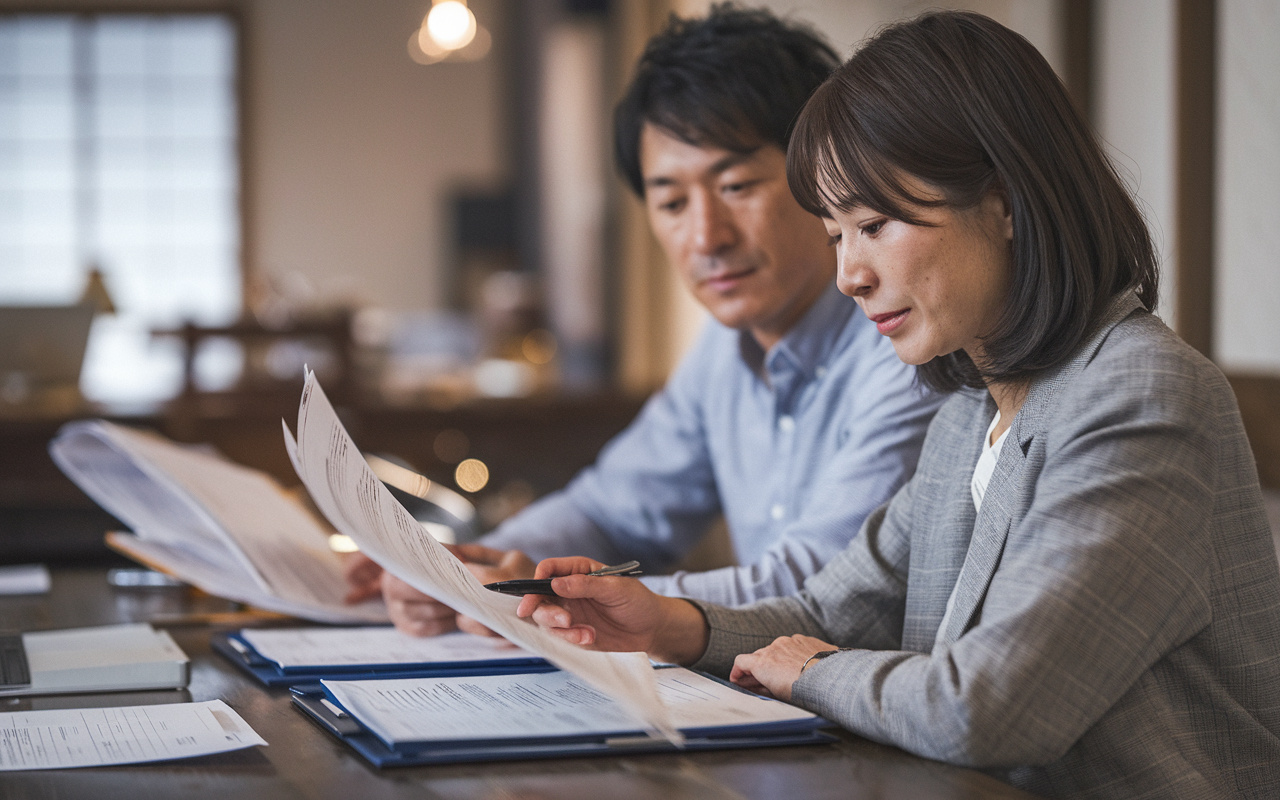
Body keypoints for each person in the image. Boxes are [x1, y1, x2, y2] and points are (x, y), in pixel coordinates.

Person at [517, 11, 1280, 798]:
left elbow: (988, 707)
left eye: (874, 225)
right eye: (836, 232)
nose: (849, 274)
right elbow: (838, 604)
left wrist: (813, 670)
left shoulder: (1140, 394)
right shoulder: (970, 412)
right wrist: (664, 622)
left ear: (1007, 200)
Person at [345, 5, 942, 636]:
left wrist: (562, 595)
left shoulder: (904, 343)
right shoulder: (726, 349)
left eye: (737, 185)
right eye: (673, 201)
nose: (706, 236)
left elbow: (820, 585)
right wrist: (470, 568)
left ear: (824, 175)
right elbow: (610, 510)